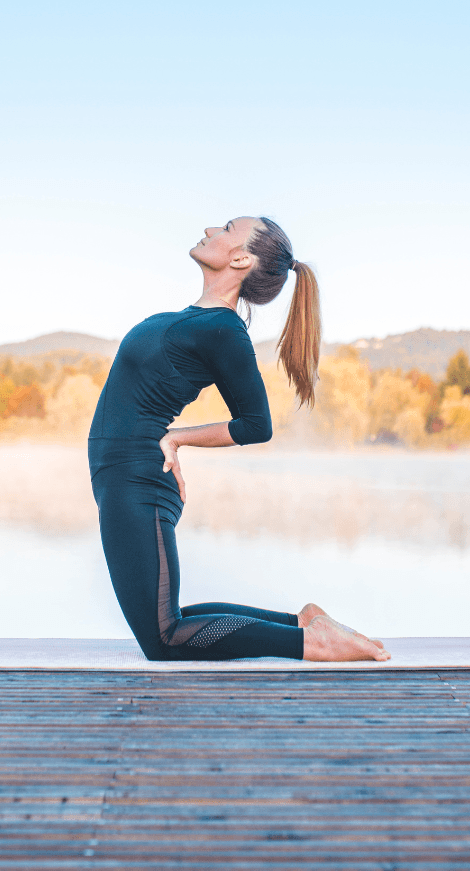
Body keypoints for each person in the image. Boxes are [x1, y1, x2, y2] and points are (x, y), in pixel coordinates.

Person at [88, 216, 390, 662]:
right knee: (167, 621)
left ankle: (311, 643)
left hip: (138, 479)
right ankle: (302, 624)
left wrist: (177, 437)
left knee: (164, 637)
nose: (210, 228)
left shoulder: (224, 331)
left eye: (226, 228)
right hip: (124, 478)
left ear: (241, 257)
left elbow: (255, 423)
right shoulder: (196, 319)